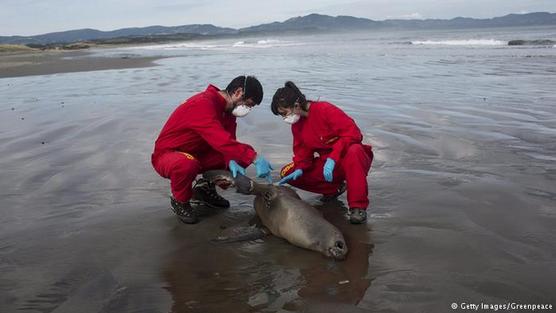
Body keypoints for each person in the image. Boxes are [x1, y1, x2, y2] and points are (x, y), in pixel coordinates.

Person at [152, 75, 273, 224]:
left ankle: (204, 189)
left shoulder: (227, 112)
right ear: (238, 92)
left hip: (198, 153)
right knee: (186, 164)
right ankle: (179, 200)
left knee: (238, 156)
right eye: (248, 104)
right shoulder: (202, 104)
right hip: (169, 154)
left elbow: (230, 141)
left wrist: (231, 161)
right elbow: (221, 140)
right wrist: (255, 158)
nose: (247, 109)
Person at [271, 81, 373, 224]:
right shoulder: (297, 126)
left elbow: (353, 134)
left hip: (350, 159)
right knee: (287, 173)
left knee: (354, 150)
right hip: (328, 165)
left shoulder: (325, 109)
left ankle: (357, 207)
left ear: (296, 105)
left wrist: (333, 157)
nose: (284, 118)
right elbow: (303, 155)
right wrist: (299, 168)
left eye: (284, 113)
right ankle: (334, 188)